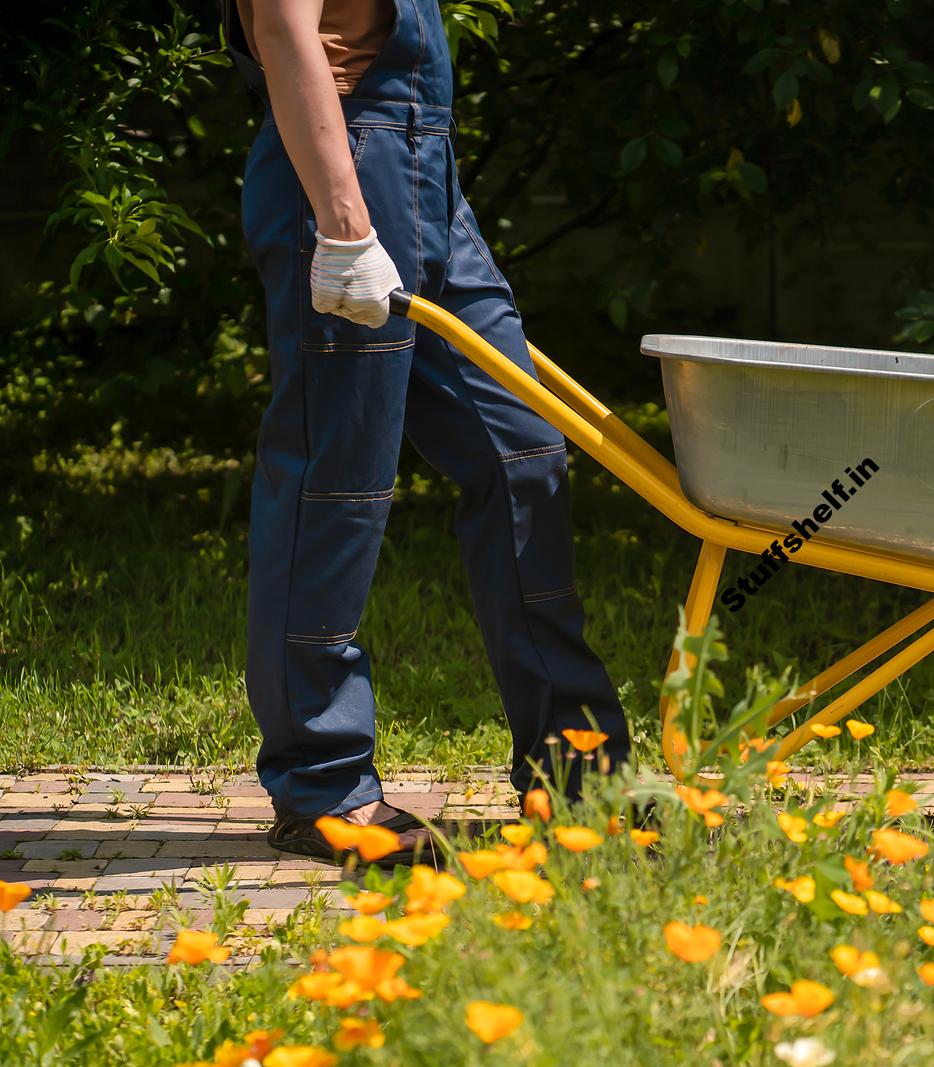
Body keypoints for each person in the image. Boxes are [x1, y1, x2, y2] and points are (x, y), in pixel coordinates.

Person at [222, 0, 630, 864]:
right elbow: (286, 27)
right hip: (344, 176)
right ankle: (322, 787)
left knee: (522, 452)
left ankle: (578, 768)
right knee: (336, 482)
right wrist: (344, 224)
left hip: (425, 178)